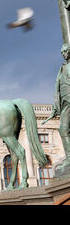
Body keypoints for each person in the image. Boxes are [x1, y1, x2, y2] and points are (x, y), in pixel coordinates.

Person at [47, 43, 70, 171]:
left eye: (65, 51)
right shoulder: (62, 68)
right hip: (65, 103)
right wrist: (57, 104)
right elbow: (58, 88)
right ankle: (69, 158)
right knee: (63, 129)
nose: (63, 54)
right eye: (62, 53)